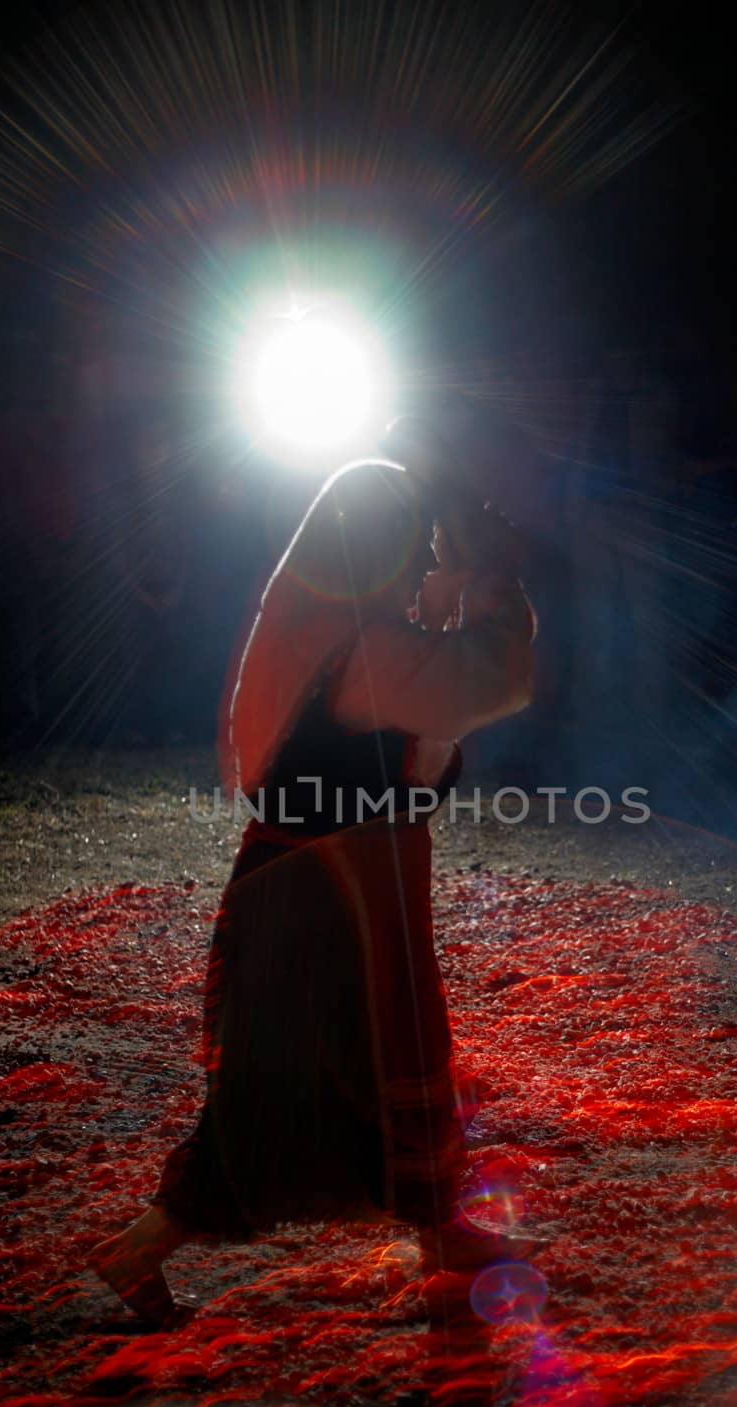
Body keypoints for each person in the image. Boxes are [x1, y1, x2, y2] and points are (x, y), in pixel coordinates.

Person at [90, 447, 537, 1327]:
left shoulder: (325, 624)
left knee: (392, 1059)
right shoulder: (363, 648)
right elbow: (485, 678)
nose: (418, 567)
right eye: (411, 548)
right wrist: (489, 581)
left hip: (338, 883)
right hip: (323, 896)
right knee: (288, 1084)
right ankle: (135, 1249)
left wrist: (456, 574)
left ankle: (439, 1229)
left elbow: (422, 724)